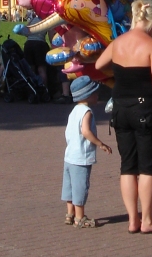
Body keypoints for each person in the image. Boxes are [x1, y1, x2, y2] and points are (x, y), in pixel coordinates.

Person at [95, 0, 152, 234]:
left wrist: (121, 73)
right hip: (146, 107)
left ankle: (133, 219)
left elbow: (100, 64)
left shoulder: (118, 42)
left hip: (121, 107)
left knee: (128, 166)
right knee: (148, 166)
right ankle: (148, 220)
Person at [61, 75, 112, 228]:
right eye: (95, 93)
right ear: (88, 95)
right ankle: (79, 217)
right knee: (80, 186)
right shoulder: (87, 112)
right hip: (81, 157)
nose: (97, 96)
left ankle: (69, 214)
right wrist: (100, 143)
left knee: (69, 187)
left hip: (69, 155)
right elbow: (86, 131)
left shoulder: (75, 110)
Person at [22, 16, 50, 89]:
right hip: (40, 44)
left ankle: (32, 88)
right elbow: (50, 36)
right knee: (42, 69)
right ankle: (45, 89)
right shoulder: (47, 20)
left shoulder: (32, 20)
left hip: (29, 44)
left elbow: (25, 32)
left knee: (31, 69)